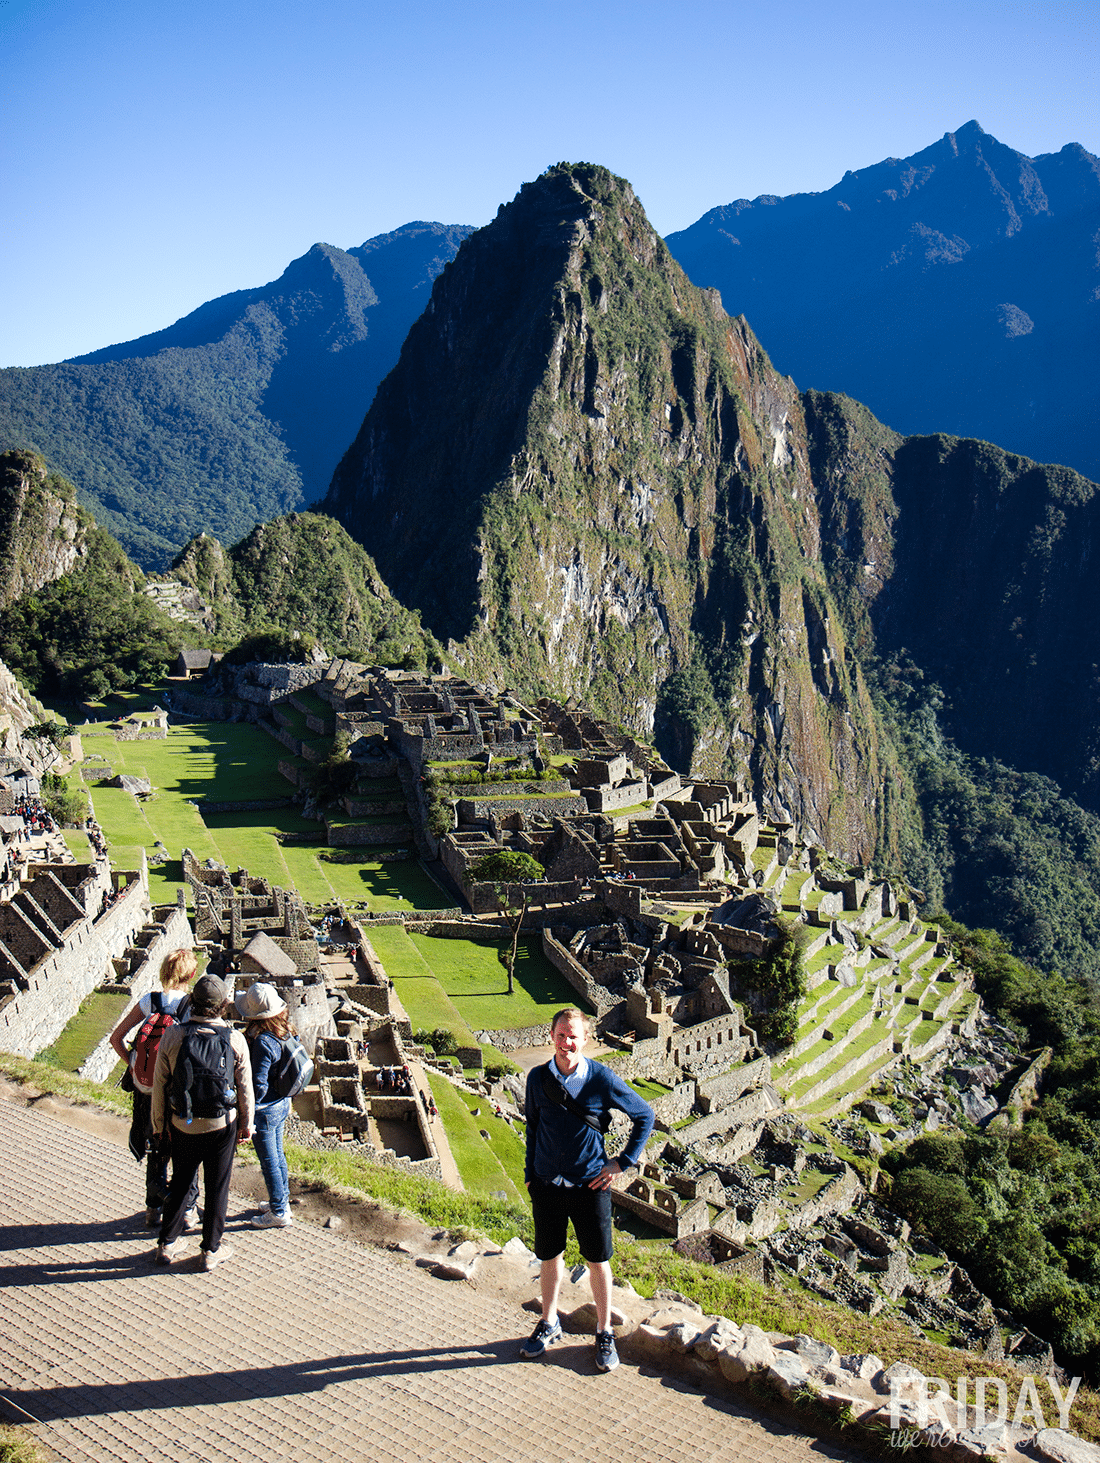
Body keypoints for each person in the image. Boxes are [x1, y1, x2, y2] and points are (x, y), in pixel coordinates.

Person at [521, 1007, 654, 1373]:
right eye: (561, 1035)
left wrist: (621, 1162)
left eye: (574, 1036)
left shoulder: (600, 1079)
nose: (567, 1042)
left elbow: (644, 1115)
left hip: (589, 1185)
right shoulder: (537, 1079)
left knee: (597, 1261)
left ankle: (603, 1331)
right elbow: (533, 1126)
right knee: (549, 1257)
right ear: (552, 1036)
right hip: (548, 1185)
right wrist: (531, 1174)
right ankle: (549, 1322)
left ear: (585, 1039)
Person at [151, 974, 253, 1271]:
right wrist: (248, 1124)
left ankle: (167, 1244)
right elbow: (245, 1088)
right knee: (217, 1187)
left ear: (192, 1002)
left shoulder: (173, 1035)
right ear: (223, 1006)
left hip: (183, 1123)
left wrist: (159, 1125)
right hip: (222, 1125)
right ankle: (210, 1250)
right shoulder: (235, 1039)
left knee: (180, 1182)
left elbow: (160, 1084)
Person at [109, 947, 200, 1228]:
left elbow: (116, 1038)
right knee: (185, 1150)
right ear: (192, 974)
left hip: (146, 1091)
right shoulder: (191, 1007)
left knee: (156, 1145)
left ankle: (153, 1207)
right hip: (175, 1091)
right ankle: (187, 1210)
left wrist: (134, 1066)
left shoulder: (150, 1001)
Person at [235, 980, 294, 1229]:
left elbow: (258, 1084)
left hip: (266, 1109)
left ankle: (279, 1212)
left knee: (269, 1159)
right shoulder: (286, 1030)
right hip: (283, 1102)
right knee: (278, 1155)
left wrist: (245, 1111)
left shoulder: (262, 1042)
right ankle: (282, 1201)